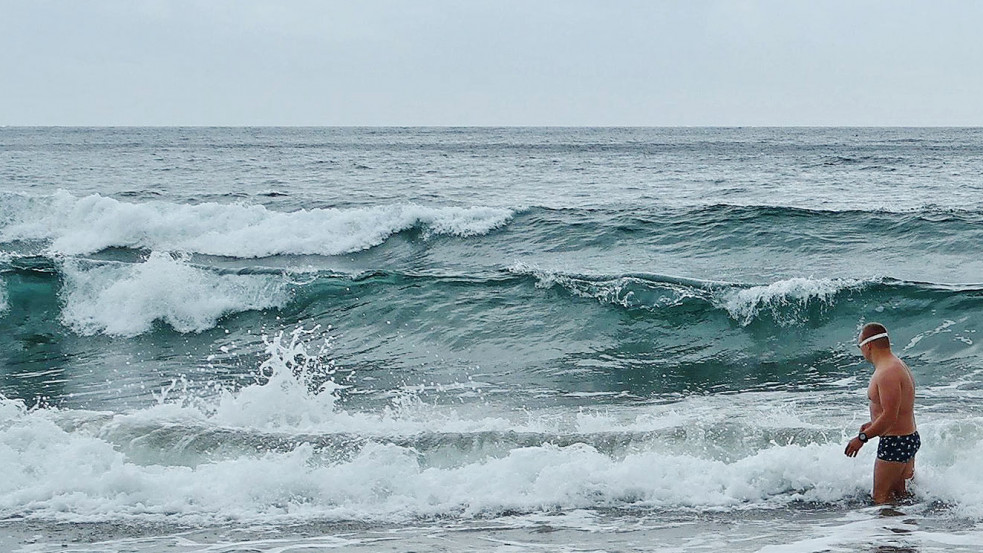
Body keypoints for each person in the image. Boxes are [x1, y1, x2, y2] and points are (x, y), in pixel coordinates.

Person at [844, 323, 920, 504]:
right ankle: (906, 529)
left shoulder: (887, 372)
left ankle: (887, 531)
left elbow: (890, 416)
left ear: (868, 345)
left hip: (896, 442)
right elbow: (897, 411)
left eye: (859, 346)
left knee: (880, 497)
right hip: (906, 438)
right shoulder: (896, 365)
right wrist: (873, 424)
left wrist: (861, 438)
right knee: (900, 495)